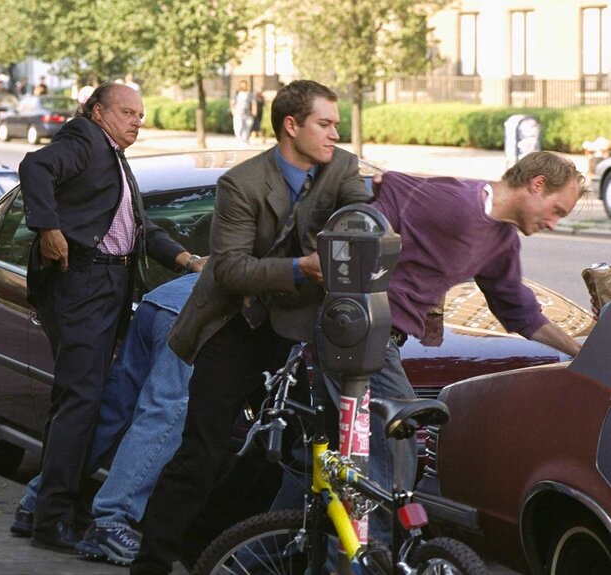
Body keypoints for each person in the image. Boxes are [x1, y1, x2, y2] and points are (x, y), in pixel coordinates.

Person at [269, 150, 588, 547]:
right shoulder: (453, 200)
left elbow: (519, 310)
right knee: (393, 443)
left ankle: (257, 552)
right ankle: (372, 558)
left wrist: (578, 348)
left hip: (379, 339)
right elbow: (381, 195)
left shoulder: (500, 241)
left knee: (319, 463)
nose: (554, 223)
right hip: (355, 331)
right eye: (556, 210)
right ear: (537, 184)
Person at [132, 79, 373, 574]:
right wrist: (299, 268)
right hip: (237, 324)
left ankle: (210, 545)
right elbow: (229, 269)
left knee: (284, 455)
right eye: (325, 124)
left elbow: (361, 215)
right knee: (203, 450)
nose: (334, 134)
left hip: (302, 330)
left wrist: (356, 231)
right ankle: (152, 562)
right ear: (292, 125)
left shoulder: (343, 167)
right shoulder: (241, 183)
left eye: (336, 125)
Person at [18, 82, 204, 555]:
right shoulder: (83, 139)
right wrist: (47, 226)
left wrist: (186, 259)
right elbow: (34, 167)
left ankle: (49, 509)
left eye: (140, 114)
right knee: (80, 401)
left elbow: (141, 230)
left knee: (89, 401)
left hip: (109, 288)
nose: (137, 121)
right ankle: (50, 521)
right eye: (127, 112)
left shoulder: (114, 155)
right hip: (82, 283)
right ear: (98, 112)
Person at [11, 271, 201, 566]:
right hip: (190, 314)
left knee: (113, 411)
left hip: (159, 302)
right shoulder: (295, 261)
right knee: (166, 412)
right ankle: (112, 521)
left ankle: (38, 501)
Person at [230, 80, 254, 144]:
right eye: (242, 85)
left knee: (247, 128)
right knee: (238, 129)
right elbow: (232, 103)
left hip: (247, 114)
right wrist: (233, 111)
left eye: (244, 85)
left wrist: (254, 111)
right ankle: (239, 140)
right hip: (238, 114)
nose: (243, 86)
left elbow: (253, 103)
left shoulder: (250, 94)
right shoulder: (237, 94)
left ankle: (245, 141)